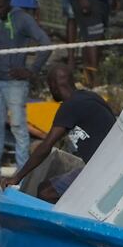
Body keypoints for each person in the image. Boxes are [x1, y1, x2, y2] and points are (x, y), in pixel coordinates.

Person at [20, 59, 112, 200]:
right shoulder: (90, 97)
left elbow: (46, 147)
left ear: (53, 86)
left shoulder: (69, 106)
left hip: (101, 168)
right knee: (47, 187)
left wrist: (16, 178)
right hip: (109, 162)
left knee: (46, 192)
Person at [0, 0, 48, 180]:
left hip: (16, 84)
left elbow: (45, 42)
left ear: (9, 1)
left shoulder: (23, 19)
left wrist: (32, 70)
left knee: (19, 127)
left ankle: (23, 173)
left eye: (2, 6)